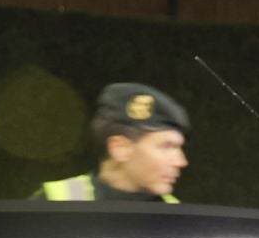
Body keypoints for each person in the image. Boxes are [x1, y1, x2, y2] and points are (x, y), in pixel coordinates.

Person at [38, 83, 189, 202]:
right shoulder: (54, 205)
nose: (181, 162)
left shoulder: (180, 218)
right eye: (167, 147)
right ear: (120, 148)